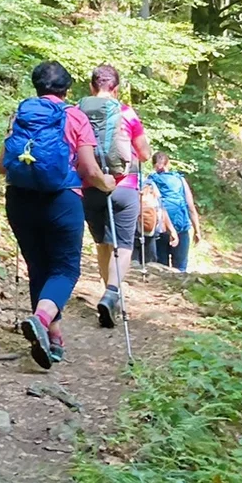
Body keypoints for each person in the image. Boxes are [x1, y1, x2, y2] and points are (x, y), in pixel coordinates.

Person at [0, 60, 116, 370]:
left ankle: (53, 338)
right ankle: (41, 318)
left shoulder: (21, 115)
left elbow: (2, 165)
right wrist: (108, 183)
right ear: (67, 89)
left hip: (19, 199)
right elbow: (89, 170)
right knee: (65, 269)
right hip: (62, 200)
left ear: (36, 86)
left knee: (38, 267)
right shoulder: (75, 116)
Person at [78, 64, 152, 327]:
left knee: (102, 244)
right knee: (123, 245)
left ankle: (107, 293)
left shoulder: (78, 113)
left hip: (91, 186)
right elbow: (144, 154)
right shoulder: (127, 113)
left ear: (91, 86)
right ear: (116, 88)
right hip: (124, 186)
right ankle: (111, 294)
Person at [146, 151, 201, 272]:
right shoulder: (179, 179)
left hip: (160, 228)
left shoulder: (150, 180)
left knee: (160, 266)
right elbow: (190, 207)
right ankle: (180, 289)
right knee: (181, 267)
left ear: (153, 164)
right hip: (181, 227)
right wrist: (197, 230)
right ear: (168, 164)